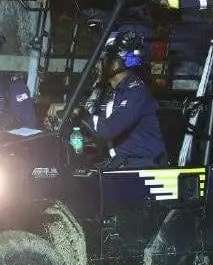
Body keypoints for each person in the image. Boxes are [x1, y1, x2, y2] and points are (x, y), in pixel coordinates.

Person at [45, 31, 167, 169]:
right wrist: (60, 122)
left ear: (114, 64)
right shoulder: (109, 92)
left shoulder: (136, 92)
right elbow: (92, 130)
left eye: (100, 60)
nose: (96, 65)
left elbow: (108, 129)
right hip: (120, 164)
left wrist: (75, 110)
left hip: (144, 167)